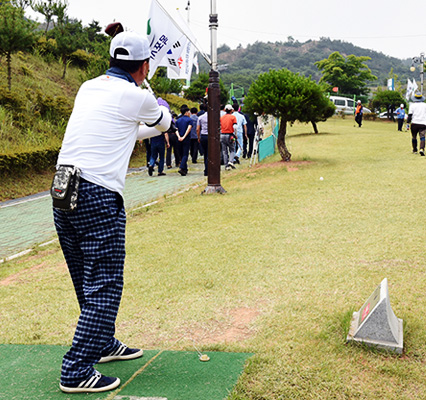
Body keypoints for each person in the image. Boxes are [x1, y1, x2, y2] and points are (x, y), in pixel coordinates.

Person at [52, 31, 171, 394]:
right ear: (144, 65)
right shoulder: (137, 95)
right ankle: (75, 370)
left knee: (85, 279)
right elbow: (162, 123)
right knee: (104, 282)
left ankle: (102, 343)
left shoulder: (89, 87)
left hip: (61, 186)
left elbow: (124, 131)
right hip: (96, 192)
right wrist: (157, 102)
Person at [175, 105, 193, 175]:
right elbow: (189, 129)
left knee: (181, 154)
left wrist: (179, 137)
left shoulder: (178, 120)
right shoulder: (189, 120)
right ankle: (182, 167)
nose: (189, 113)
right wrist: (184, 137)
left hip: (178, 139)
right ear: (186, 112)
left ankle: (184, 170)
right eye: (189, 112)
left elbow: (175, 130)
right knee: (185, 154)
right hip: (186, 139)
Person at [407, 91, 426, 156]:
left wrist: (407, 123)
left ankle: (415, 150)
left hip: (414, 123)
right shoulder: (425, 105)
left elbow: (410, 115)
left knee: (414, 137)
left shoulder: (412, 105)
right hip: (423, 123)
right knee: (422, 137)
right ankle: (422, 149)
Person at [220, 104, 237, 170]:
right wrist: (235, 135)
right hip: (230, 135)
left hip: (222, 135)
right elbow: (235, 127)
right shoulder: (233, 117)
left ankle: (226, 165)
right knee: (232, 149)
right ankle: (231, 161)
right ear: (231, 110)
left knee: (224, 151)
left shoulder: (222, 117)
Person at [197, 108, 208, 176]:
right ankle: (209, 168)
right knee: (210, 153)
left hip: (203, 135)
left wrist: (199, 137)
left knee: (205, 153)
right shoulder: (214, 117)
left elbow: (197, 129)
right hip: (211, 136)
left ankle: (206, 169)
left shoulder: (200, 117)